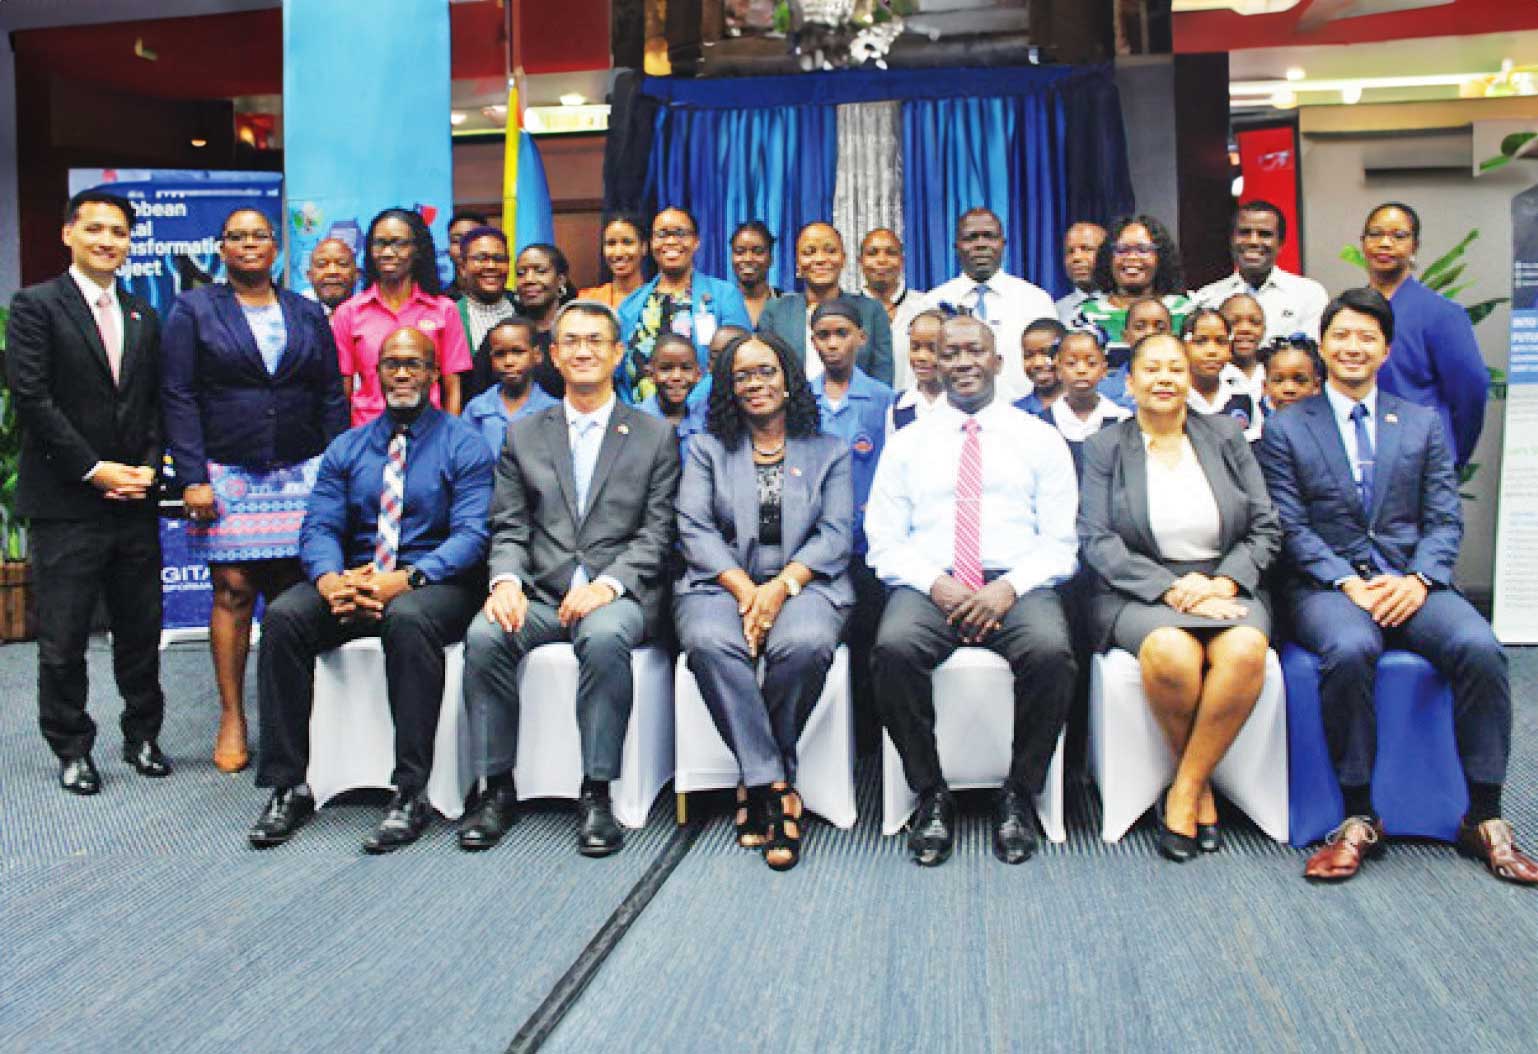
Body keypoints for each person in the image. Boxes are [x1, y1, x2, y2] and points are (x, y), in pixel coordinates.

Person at [1257, 287, 1537, 886]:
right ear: (1324, 345)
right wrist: (1346, 581)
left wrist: (1418, 579)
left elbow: (1443, 518)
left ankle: (1484, 814)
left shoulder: (1421, 423)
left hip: (1413, 583)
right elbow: (1290, 525)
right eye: (1342, 336)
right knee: (1351, 649)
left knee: (1481, 648)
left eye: (1367, 337)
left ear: (1385, 349)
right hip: (1324, 587)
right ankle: (1358, 814)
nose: (1353, 347)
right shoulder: (1286, 427)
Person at [246, 326, 494, 853]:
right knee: (285, 618)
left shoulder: (464, 445)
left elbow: (473, 535)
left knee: (408, 619)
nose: (402, 373)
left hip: (434, 582)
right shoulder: (347, 447)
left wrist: (403, 581)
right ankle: (287, 786)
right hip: (356, 578)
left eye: (414, 363)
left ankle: (409, 791)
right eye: (391, 364)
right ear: (374, 374)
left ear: (432, 374)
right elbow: (318, 527)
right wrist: (331, 579)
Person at [460, 301, 681, 857]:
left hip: (618, 595)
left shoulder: (654, 435)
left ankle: (596, 792)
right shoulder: (524, 435)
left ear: (617, 353)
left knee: (603, 637)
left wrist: (608, 584)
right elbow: (507, 525)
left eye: (596, 341)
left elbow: (658, 534)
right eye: (572, 342)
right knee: (485, 635)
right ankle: (495, 788)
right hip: (539, 594)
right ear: (553, 356)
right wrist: (505, 581)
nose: (584, 351)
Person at [866, 314, 1079, 867]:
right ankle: (930, 791)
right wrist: (935, 584)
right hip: (931, 582)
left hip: (1015, 581)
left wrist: (1008, 589)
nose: (962, 362)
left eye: (974, 351)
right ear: (933, 363)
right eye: (949, 352)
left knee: (1052, 654)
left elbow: (1061, 543)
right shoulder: (907, 443)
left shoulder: (1040, 438)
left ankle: (1019, 793)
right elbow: (883, 541)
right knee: (892, 651)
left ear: (998, 361)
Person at [161, 206, 350, 774]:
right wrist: (192, 476)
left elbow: (330, 395)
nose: (248, 245)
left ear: (276, 249)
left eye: (259, 237)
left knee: (296, 595)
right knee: (235, 591)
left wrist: (338, 469)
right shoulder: (193, 310)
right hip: (227, 472)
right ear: (221, 249)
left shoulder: (306, 312)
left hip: (302, 471)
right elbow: (178, 394)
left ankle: (293, 720)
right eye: (236, 237)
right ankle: (232, 717)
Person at [1078, 332, 1280, 861]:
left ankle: (1187, 787)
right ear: (1130, 382)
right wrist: (1174, 590)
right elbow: (1097, 540)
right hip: (1139, 588)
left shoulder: (1224, 438)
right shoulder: (1105, 448)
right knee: (1172, 653)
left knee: (1244, 652)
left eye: (1176, 369)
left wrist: (1222, 582)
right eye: (1152, 369)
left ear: (1190, 379)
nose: (1165, 379)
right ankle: (1201, 789)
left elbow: (1265, 525)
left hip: (1224, 581)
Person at [4, 189, 170, 794]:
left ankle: (143, 734)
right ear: (69, 233)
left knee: (140, 629)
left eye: (119, 231)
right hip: (67, 502)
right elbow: (32, 399)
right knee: (64, 638)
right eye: (96, 228)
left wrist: (148, 468)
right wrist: (93, 469)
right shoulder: (35, 305)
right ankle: (72, 747)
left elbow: (152, 403)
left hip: (134, 500)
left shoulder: (143, 314)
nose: (108, 240)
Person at [674, 331, 854, 870]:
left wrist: (780, 588)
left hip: (807, 583)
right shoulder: (708, 449)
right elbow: (695, 528)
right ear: (729, 388)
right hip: (720, 584)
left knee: (805, 645)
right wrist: (747, 590)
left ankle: (757, 786)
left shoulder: (829, 451)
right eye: (743, 375)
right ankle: (774, 783)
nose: (756, 384)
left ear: (790, 379)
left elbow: (837, 532)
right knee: (708, 642)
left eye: (767, 371)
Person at [806, 299, 895, 749]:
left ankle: (870, 739)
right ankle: (829, 741)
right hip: (816, 542)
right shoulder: (802, 397)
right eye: (823, 335)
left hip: (866, 542)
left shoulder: (882, 399)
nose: (833, 343)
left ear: (861, 338)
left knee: (869, 635)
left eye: (842, 333)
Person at [1359, 201, 1488, 468]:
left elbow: (1470, 390)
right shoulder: (1350, 312)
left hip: (1422, 463)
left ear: (1414, 246)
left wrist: (1452, 455)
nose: (1385, 243)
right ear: (1363, 243)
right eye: (1376, 234)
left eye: (1398, 236)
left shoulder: (1441, 313)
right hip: (1361, 464)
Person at [331, 208, 471, 427]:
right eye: (380, 243)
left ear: (417, 250)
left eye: (398, 243)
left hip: (429, 435)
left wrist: (448, 441)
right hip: (368, 434)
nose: (387, 252)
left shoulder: (444, 310)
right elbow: (343, 391)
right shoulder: (348, 312)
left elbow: (452, 389)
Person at [617, 206, 751, 404]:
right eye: (662, 234)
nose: (671, 241)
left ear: (696, 242)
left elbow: (741, 360)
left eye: (680, 233)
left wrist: (691, 407)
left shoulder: (724, 295)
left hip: (708, 418)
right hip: (641, 423)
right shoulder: (630, 305)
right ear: (651, 243)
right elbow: (619, 375)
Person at [922, 208, 1056, 399]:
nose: (980, 245)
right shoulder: (933, 302)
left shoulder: (1036, 301)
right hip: (956, 416)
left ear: (1003, 244)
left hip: (1025, 415)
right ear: (956, 246)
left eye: (989, 236)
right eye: (971, 238)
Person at [1071, 215, 1195, 404]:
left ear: (1159, 257)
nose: (1132, 258)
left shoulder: (1184, 309)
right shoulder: (1087, 314)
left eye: (1143, 250)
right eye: (1122, 250)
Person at [757, 221, 894, 386]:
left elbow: (882, 380)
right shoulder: (776, 310)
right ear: (798, 264)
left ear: (843, 259)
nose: (820, 259)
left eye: (830, 251)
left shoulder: (871, 311)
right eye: (809, 252)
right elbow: (764, 372)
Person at [1194, 200, 1328, 342]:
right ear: (1231, 240)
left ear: (1281, 243)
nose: (1253, 241)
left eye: (1264, 234)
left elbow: (1310, 356)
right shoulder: (1208, 298)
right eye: (1244, 233)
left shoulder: (1309, 295)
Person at [461, 318, 560, 455]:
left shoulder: (552, 410)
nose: (508, 362)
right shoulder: (477, 410)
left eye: (518, 352)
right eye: (499, 354)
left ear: (537, 355)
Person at [1040, 330, 1131, 475]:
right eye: (1071, 363)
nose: (1081, 370)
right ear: (1058, 370)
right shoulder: (1042, 424)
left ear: (1104, 369)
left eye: (1091, 363)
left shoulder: (1122, 420)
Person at [453, 226, 520, 401]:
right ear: (462, 267)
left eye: (499, 259)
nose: (491, 266)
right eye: (481, 258)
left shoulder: (525, 310)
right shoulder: (450, 315)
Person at [859, 228, 927, 389]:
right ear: (860, 261)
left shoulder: (925, 306)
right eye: (872, 253)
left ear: (902, 261)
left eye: (891, 253)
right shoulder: (847, 310)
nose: (881, 260)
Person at [512, 242, 577, 399]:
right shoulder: (507, 333)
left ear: (560, 280)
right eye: (521, 273)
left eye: (540, 271)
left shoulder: (579, 330)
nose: (529, 279)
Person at [1182, 309, 1260, 440]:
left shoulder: (1242, 397)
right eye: (1200, 341)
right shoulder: (1175, 400)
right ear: (1182, 347)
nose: (1212, 351)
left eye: (1221, 341)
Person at [638, 332, 706, 453]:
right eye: (666, 368)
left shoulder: (705, 423)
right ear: (650, 374)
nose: (676, 377)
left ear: (698, 375)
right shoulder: (634, 421)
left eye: (686, 368)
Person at [887, 309, 946, 433]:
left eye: (933, 348)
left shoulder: (963, 403)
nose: (921, 357)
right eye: (915, 347)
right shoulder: (897, 406)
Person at [579, 213, 649, 310]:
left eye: (627, 242)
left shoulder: (657, 299)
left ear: (644, 247)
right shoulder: (588, 300)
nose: (618, 253)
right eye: (611, 243)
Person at [1218, 292, 1268, 404]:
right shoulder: (1211, 377)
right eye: (1234, 322)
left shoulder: (1271, 373)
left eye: (1255, 322)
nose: (1245, 329)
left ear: (1264, 329)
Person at [729, 219, 780, 326]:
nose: (748, 259)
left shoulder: (785, 304)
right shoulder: (720, 303)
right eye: (740, 252)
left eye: (758, 252)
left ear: (771, 258)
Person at [1259, 335, 1323, 418]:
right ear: (1265, 387)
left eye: (1300, 380)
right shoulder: (1255, 427)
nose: (1289, 389)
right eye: (1278, 380)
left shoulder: (1333, 427)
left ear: (1316, 386)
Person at [1014, 318, 1068, 416]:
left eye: (1047, 353)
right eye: (1028, 355)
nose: (1037, 363)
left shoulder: (1097, 399)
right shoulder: (1015, 413)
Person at [1055, 221, 1106, 323]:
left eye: (1086, 249)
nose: (1076, 257)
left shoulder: (1125, 305)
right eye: (1070, 251)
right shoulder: (1055, 312)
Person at [445, 208, 491, 300]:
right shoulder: (438, 304)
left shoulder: (510, 302)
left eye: (472, 240)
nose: (463, 247)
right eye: (456, 241)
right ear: (448, 251)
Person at [306, 238, 358, 317]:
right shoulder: (296, 318)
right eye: (322, 264)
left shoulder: (370, 316)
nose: (332, 271)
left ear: (356, 274)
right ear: (309, 276)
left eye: (342, 264)